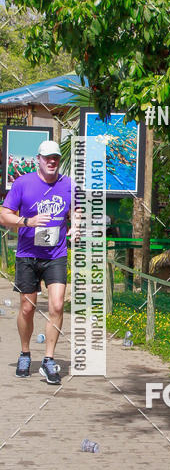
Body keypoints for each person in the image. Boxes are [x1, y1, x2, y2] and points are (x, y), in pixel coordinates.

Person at [0, 140, 74, 384]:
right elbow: (4, 215)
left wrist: (78, 225)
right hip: (27, 256)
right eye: (47, 158)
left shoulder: (68, 184)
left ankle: (49, 360)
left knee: (57, 305)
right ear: (38, 160)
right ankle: (25, 353)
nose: (51, 161)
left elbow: (77, 211)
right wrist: (27, 222)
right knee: (27, 308)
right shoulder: (23, 183)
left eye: (55, 158)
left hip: (56, 255)